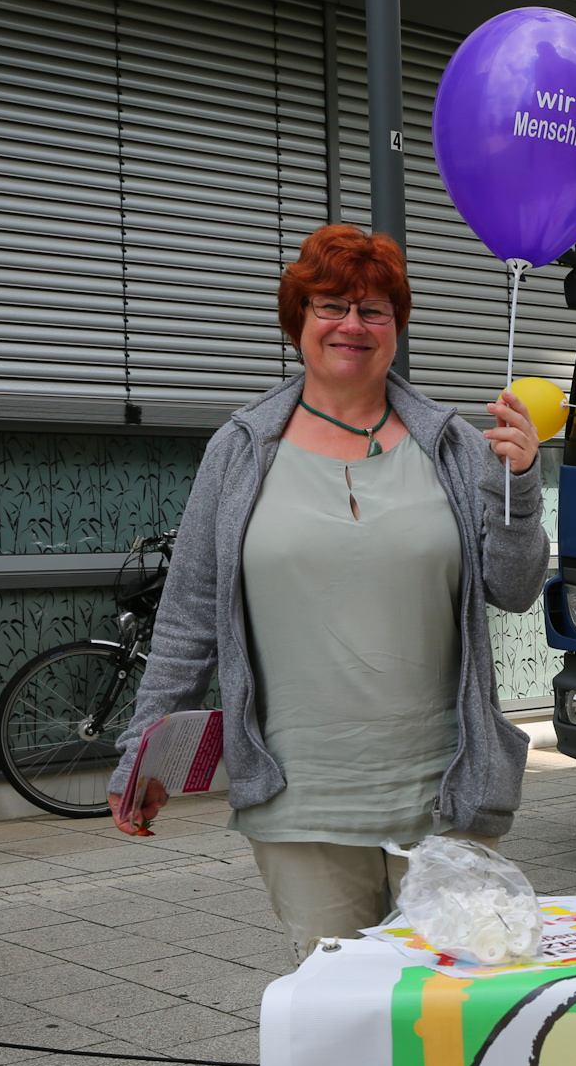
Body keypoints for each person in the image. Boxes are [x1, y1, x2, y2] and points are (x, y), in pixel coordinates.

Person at [105, 224, 550, 959]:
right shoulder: (240, 451)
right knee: (341, 1012)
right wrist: (141, 757)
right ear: (299, 321)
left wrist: (521, 489)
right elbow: (187, 620)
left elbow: (515, 588)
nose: (353, 325)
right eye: (331, 306)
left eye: (374, 310)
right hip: (299, 802)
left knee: (456, 1005)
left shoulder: (453, 446)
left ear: (396, 328)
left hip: (446, 796)